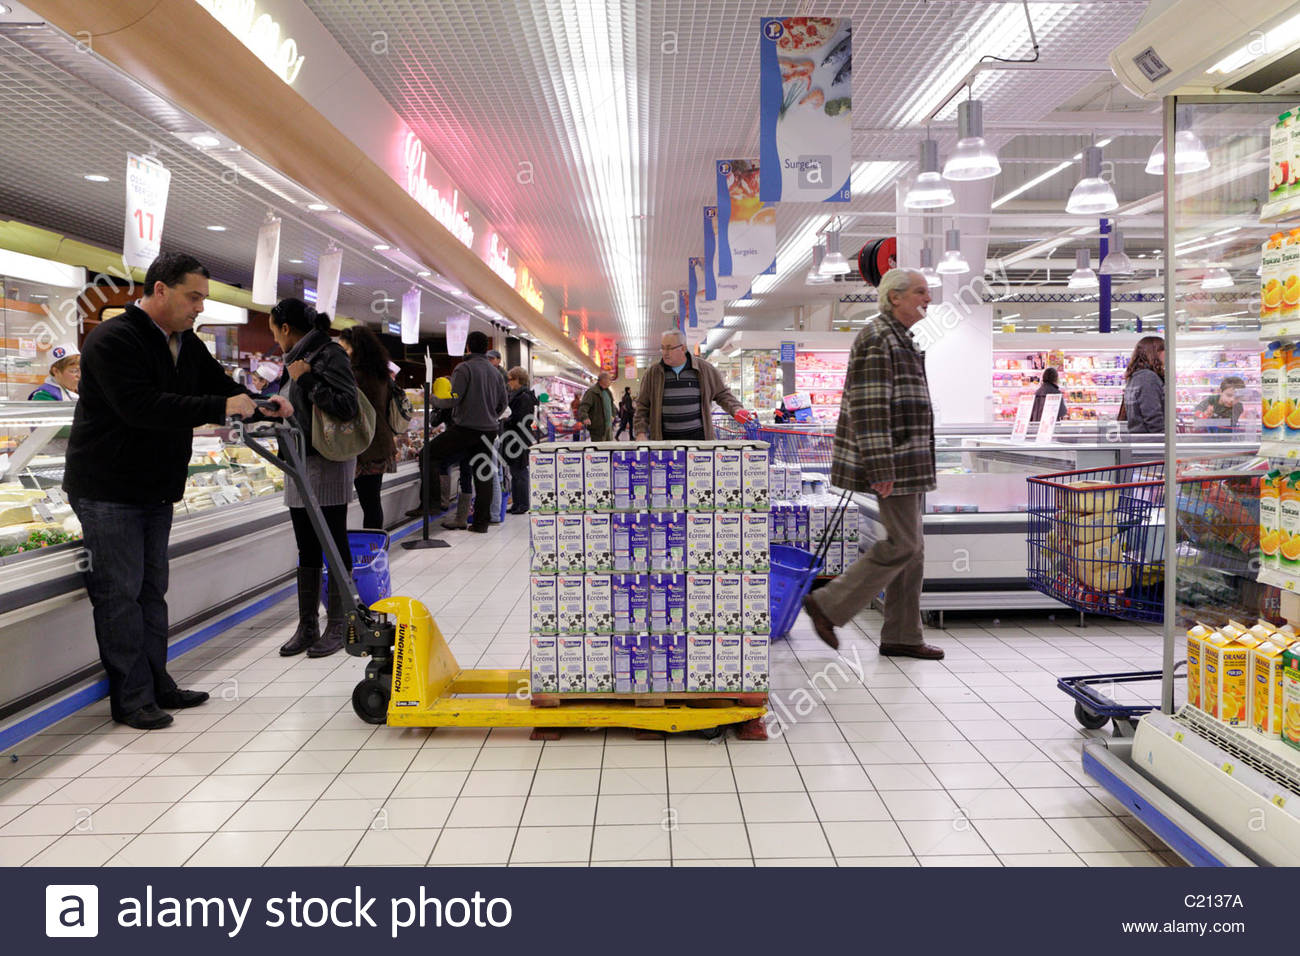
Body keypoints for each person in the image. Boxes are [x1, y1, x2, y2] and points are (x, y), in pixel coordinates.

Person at [63, 252, 292, 730]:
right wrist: (220, 403)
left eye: (203, 299)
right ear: (160, 289)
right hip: (108, 490)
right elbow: (140, 407)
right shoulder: (112, 340)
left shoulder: (185, 343)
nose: (200, 308)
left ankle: (158, 683)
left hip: (155, 488)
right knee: (119, 595)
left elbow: (217, 385)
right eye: (194, 297)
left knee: (152, 591)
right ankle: (131, 699)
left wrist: (259, 403)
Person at [801, 269, 944, 661]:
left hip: (910, 462)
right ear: (894, 297)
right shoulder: (878, 337)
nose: (926, 299)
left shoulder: (902, 338)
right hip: (895, 461)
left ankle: (903, 635)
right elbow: (869, 408)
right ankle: (828, 604)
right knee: (904, 543)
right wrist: (881, 467)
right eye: (920, 292)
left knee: (913, 551)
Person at [269, 297, 361, 659]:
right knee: (306, 545)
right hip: (298, 462)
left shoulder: (327, 354)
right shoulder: (293, 358)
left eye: (275, 332)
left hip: (327, 462)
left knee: (333, 541)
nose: (275, 339)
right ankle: (307, 624)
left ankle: (340, 622)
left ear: (286, 328)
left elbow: (346, 405)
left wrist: (306, 380)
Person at [427, 329, 508, 532]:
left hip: (465, 429)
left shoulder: (464, 368)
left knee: (427, 454)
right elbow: (503, 403)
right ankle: (481, 523)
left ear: (468, 347)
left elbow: (454, 398)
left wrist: (433, 400)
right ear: (486, 348)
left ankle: (432, 503)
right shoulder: (495, 372)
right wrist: (490, 417)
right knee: (484, 475)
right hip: (489, 430)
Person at [634, 329, 753, 440]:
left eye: (670, 348)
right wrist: (640, 432)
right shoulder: (653, 373)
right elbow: (643, 405)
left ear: (683, 348)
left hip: (698, 439)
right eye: (663, 348)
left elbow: (723, 394)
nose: (665, 353)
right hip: (664, 441)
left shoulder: (705, 369)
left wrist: (736, 409)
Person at [339, 324, 397, 530]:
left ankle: (371, 548)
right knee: (372, 501)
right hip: (378, 443)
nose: (341, 354)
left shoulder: (355, 376)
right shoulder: (380, 374)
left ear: (356, 348)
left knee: (367, 502)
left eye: (345, 349)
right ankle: (375, 547)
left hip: (362, 445)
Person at [504, 366, 539, 513]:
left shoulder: (523, 397)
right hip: (515, 437)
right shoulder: (519, 395)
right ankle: (516, 503)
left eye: (510, 379)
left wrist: (507, 421)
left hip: (519, 438)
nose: (508, 383)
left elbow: (522, 420)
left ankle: (523, 504)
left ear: (518, 380)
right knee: (515, 472)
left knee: (520, 472)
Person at [1120, 335, 1166, 434]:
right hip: (1151, 442)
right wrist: (1165, 439)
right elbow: (1152, 415)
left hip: (1138, 440)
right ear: (1156, 353)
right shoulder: (1148, 378)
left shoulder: (1134, 377)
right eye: (1164, 351)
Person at [578, 371, 616, 442]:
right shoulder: (592, 392)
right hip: (597, 429)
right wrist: (585, 417)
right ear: (603, 380)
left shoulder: (608, 392)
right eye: (609, 379)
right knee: (599, 450)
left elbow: (612, 406)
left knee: (609, 449)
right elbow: (583, 406)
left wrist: (613, 415)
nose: (611, 381)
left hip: (608, 427)